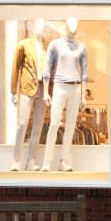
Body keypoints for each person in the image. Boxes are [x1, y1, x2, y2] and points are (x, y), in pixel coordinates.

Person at [41, 17, 88, 172]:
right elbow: (47, 68)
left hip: (76, 88)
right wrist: (46, 92)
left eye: (76, 28)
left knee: (70, 126)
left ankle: (64, 161)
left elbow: (84, 73)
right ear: (66, 27)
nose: (73, 30)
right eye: (70, 27)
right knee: (54, 123)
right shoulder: (55, 44)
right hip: (59, 86)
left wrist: (83, 96)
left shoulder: (81, 47)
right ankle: (47, 161)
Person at [9, 18, 47, 171]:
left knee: (38, 127)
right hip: (26, 88)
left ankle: (31, 160)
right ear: (33, 26)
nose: (40, 27)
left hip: (42, 90)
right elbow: (15, 67)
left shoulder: (46, 47)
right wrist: (13, 90)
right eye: (38, 24)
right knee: (22, 124)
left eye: (43, 24)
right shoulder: (23, 45)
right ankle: (15, 160)